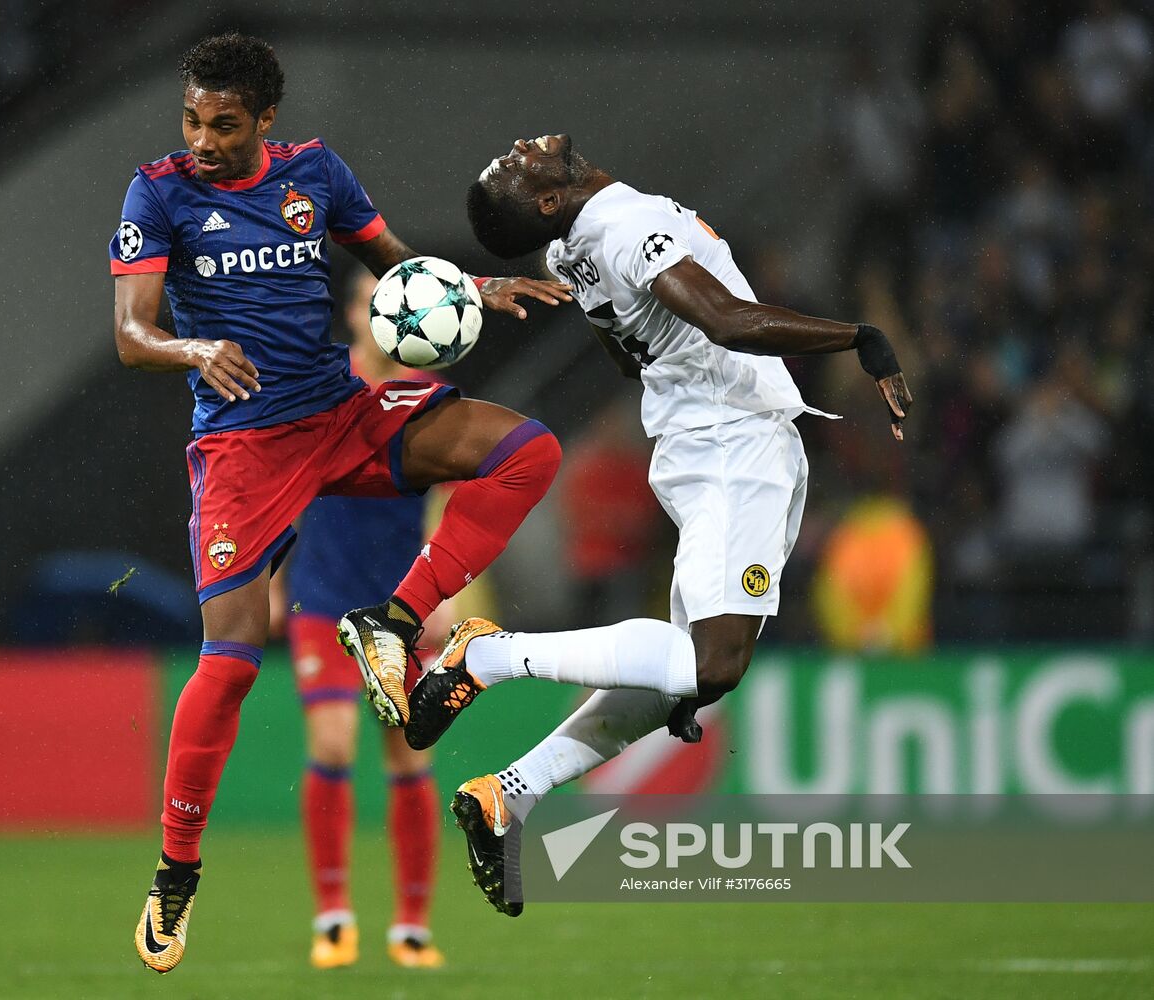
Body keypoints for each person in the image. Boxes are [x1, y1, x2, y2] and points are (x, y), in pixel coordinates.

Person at [111, 38, 570, 973]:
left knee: (527, 450)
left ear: (264, 119)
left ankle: (394, 620)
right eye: (192, 119)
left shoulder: (315, 174)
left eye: (224, 124)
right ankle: (175, 873)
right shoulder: (157, 193)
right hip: (243, 446)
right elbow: (129, 333)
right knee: (231, 665)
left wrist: (471, 288)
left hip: (341, 413)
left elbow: (398, 269)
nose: (202, 138)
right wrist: (192, 352)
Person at [402, 134, 913, 916]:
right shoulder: (620, 224)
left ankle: (512, 793)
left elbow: (622, 354)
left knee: (682, 672)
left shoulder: (569, 249)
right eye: (512, 165)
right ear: (546, 199)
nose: (517, 147)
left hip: (701, 438)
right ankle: (491, 655)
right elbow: (728, 321)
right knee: (710, 669)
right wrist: (858, 338)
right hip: (730, 446)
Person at [269, 270, 451, 969]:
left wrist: (448, 586)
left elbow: (449, 497)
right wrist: (273, 572)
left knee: (409, 754)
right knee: (336, 743)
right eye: (373, 301)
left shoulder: (429, 398)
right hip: (322, 595)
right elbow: (284, 480)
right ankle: (334, 916)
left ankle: (411, 927)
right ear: (352, 313)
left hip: (401, 605)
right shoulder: (322, 387)